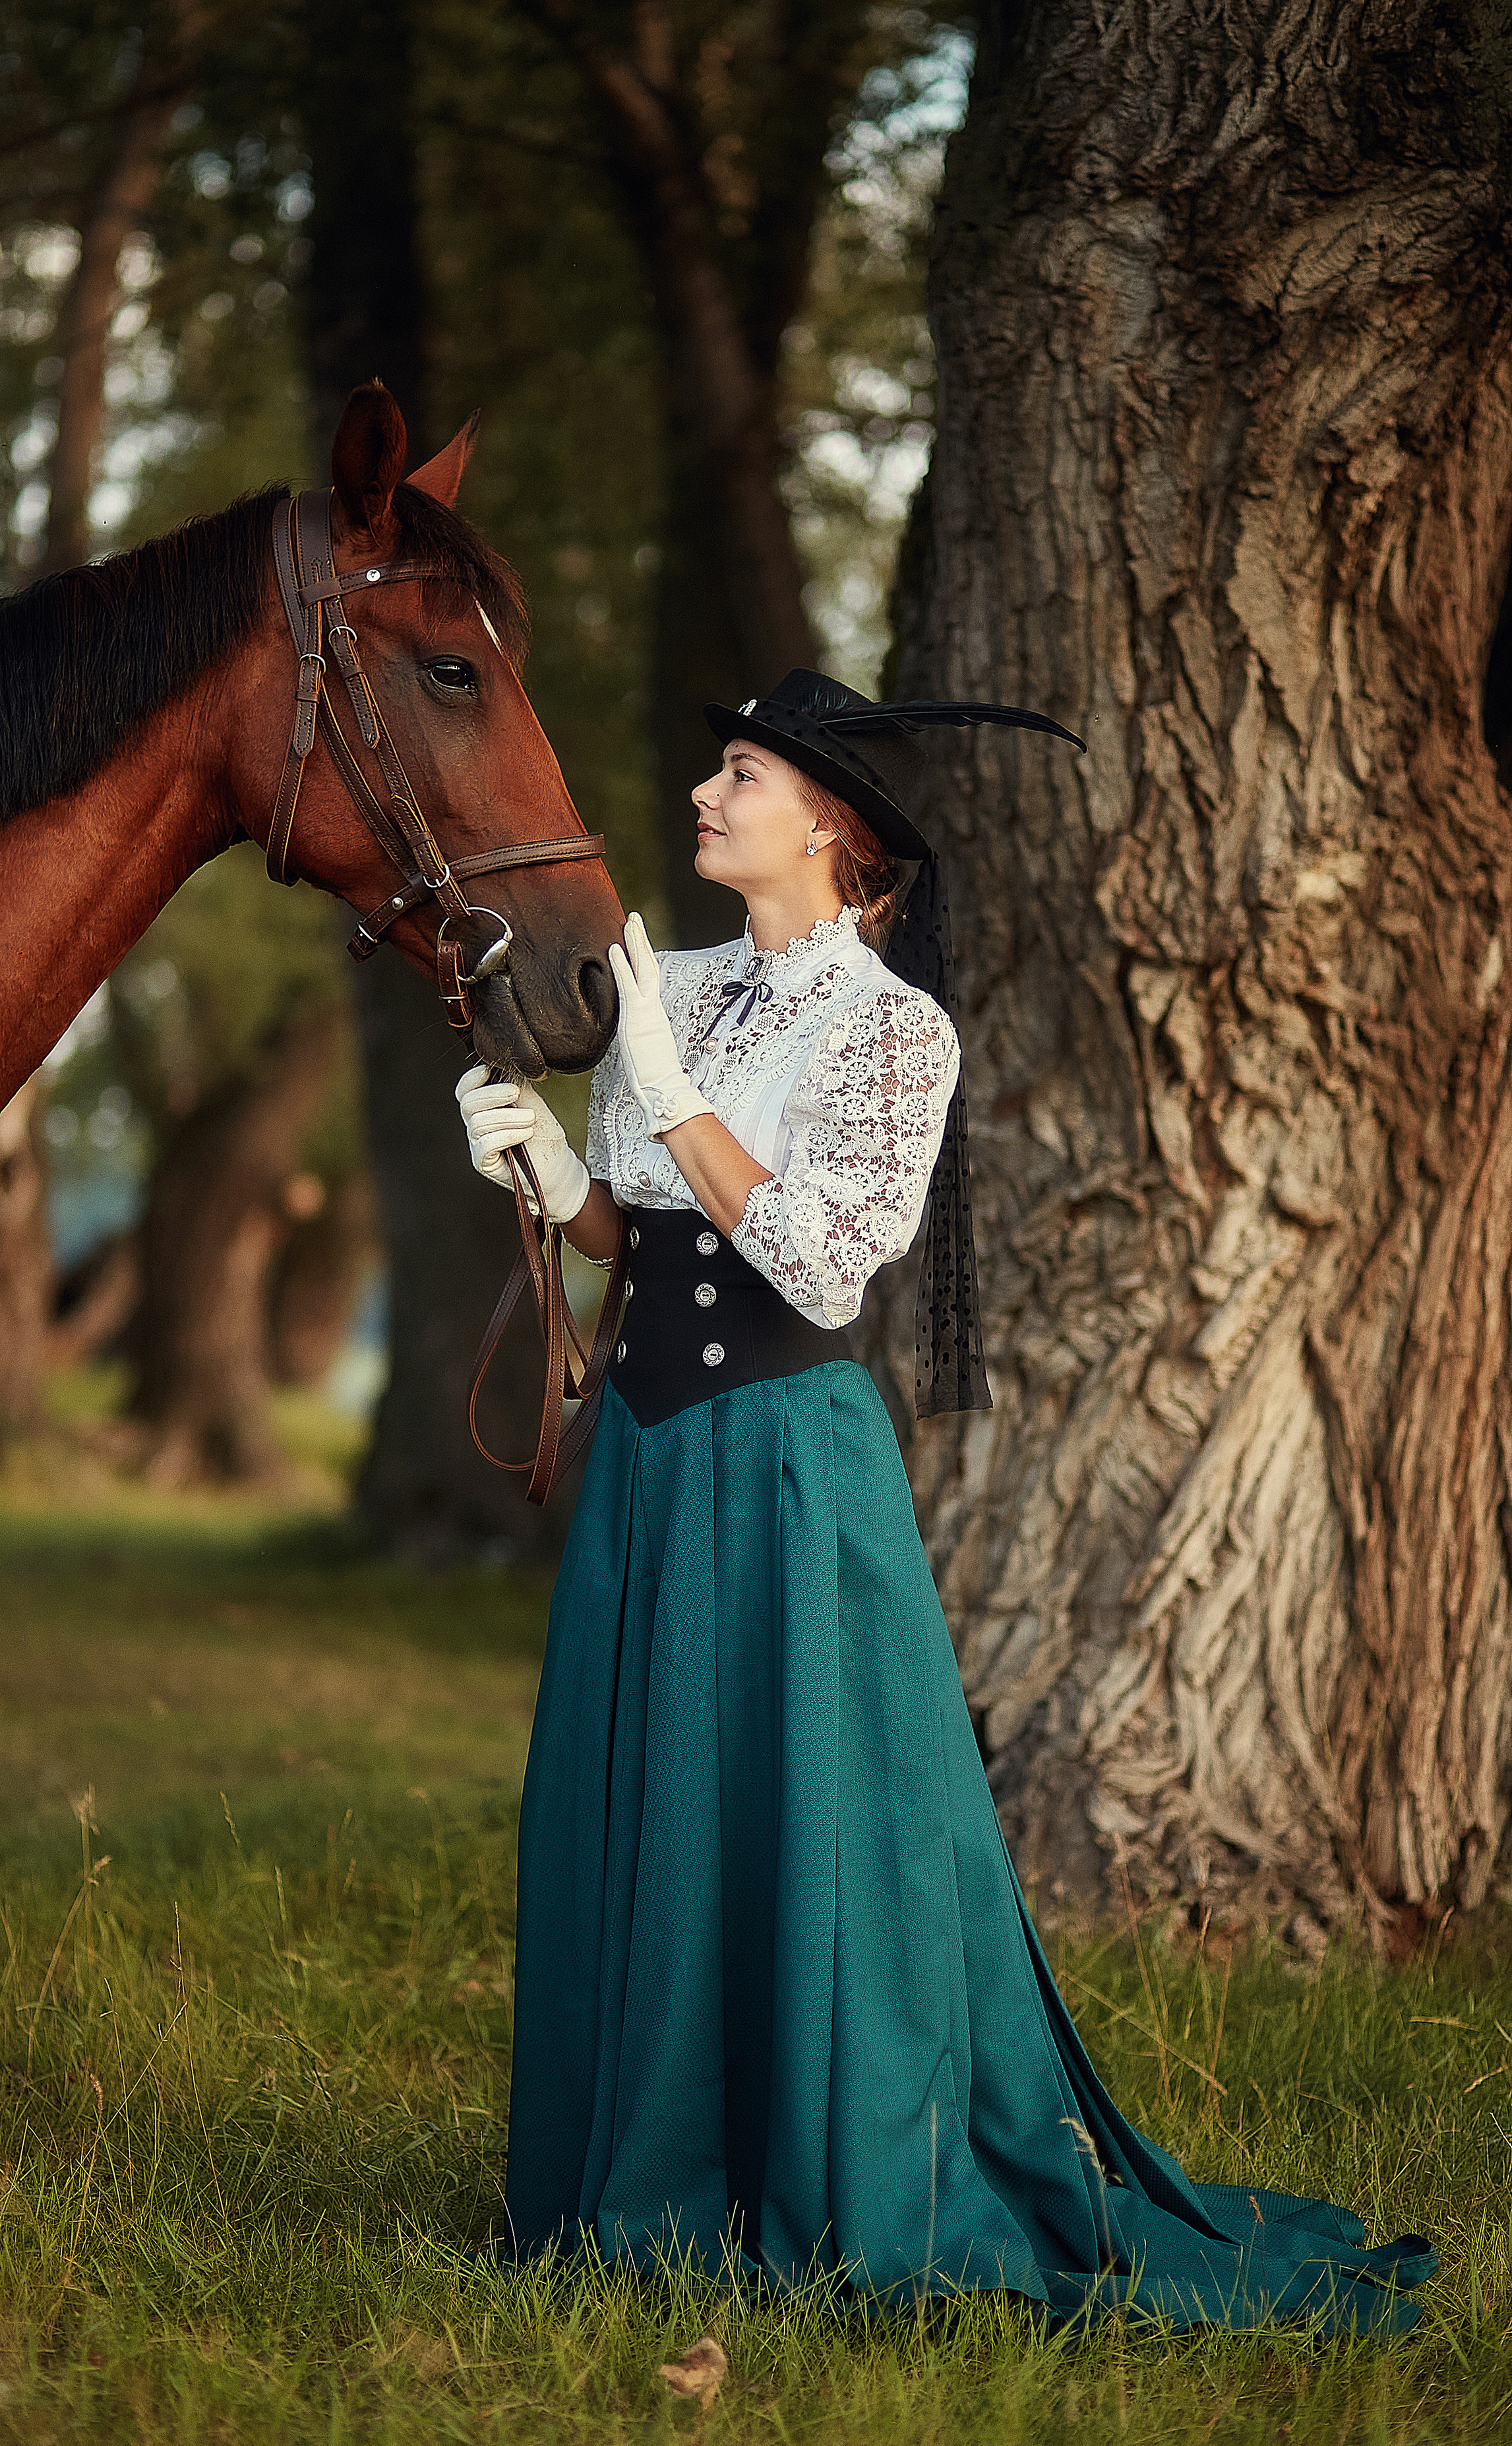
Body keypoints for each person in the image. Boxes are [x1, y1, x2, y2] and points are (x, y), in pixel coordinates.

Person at [454, 669, 1436, 2333]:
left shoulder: (891, 1030)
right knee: (649, 1810)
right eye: (715, 766)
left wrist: (670, 1093)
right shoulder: (668, 983)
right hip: (651, 1455)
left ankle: (833, 2167)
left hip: (788, 1464)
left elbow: (819, 1260)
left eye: (740, 773)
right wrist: (554, 1175)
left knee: (805, 1820)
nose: (703, 794)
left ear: (828, 829)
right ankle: (651, 2173)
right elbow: (642, 1229)